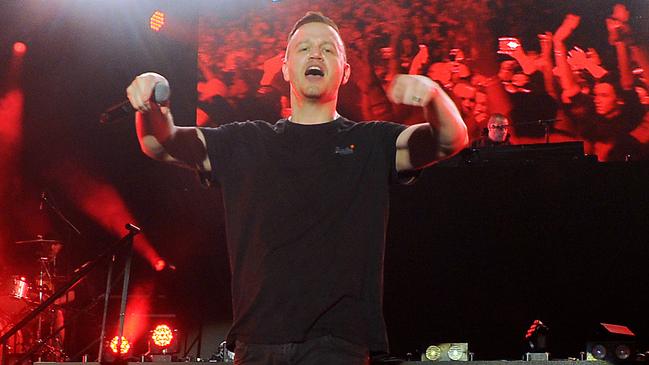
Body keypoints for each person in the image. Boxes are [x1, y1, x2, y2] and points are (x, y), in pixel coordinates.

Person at [126, 11, 467, 365]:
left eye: (328, 50)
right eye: (304, 48)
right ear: (286, 68)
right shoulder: (246, 141)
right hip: (257, 342)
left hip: (338, 345)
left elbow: (450, 140)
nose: (316, 55)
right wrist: (153, 101)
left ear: (345, 72)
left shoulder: (371, 142)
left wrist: (432, 95)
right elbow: (159, 143)